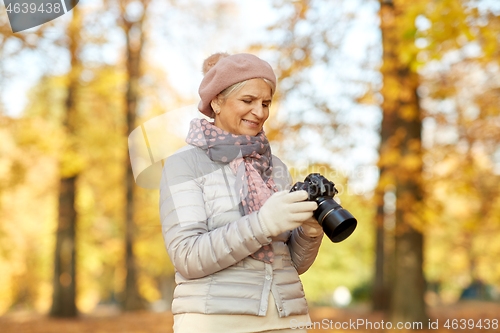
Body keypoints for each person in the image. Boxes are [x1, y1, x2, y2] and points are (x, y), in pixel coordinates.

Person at [159, 52, 324, 333]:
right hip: (218, 323)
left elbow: (291, 263)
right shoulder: (184, 163)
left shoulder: (276, 168)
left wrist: (309, 231)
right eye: (247, 101)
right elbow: (186, 256)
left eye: (265, 103)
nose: (259, 112)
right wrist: (262, 224)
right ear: (216, 102)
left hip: (288, 322)